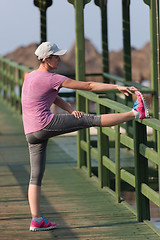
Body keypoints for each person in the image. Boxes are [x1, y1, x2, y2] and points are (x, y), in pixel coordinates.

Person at [21, 42, 149, 232]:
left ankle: (36, 220)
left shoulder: (30, 77)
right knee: (90, 120)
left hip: (30, 132)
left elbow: (53, 96)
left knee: (35, 177)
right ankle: (136, 113)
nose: (60, 59)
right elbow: (88, 85)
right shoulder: (52, 78)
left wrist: (71, 109)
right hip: (45, 124)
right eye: (56, 57)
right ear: (47, 60)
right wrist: (116, 87)